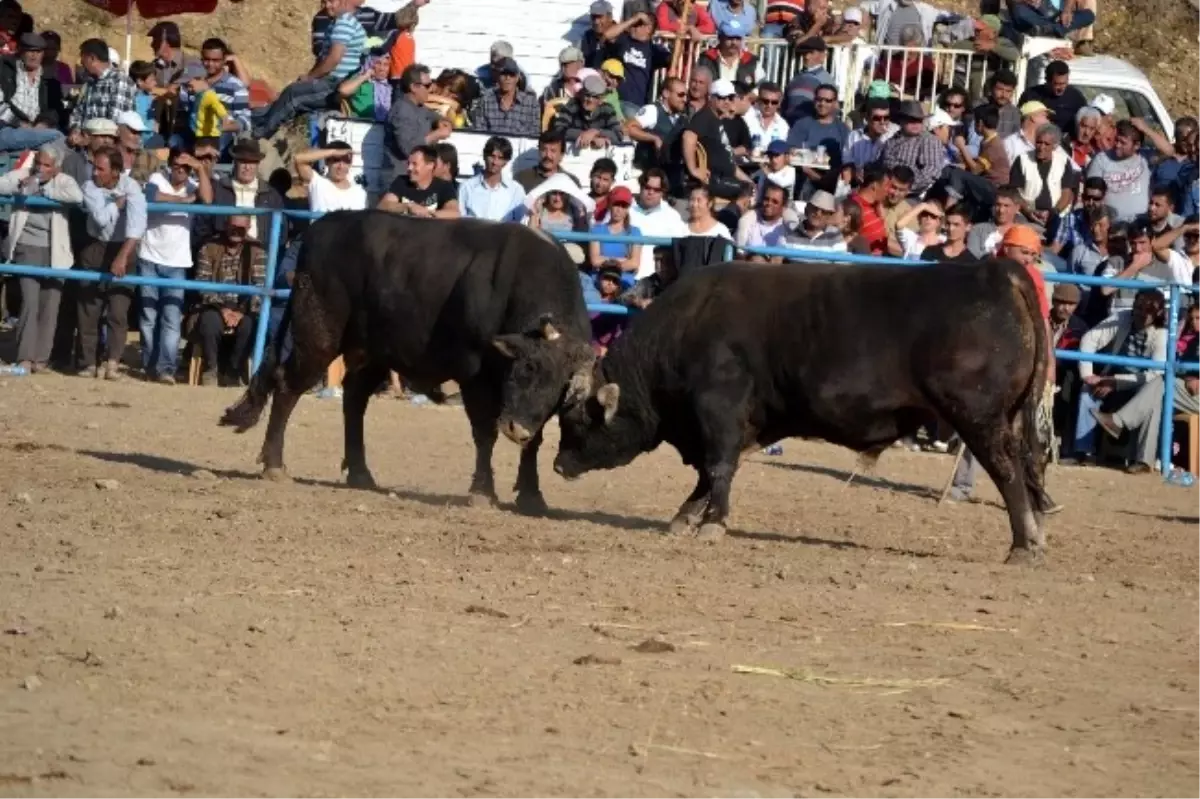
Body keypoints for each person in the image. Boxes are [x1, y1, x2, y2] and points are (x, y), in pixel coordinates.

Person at [0, 142, 80, 373]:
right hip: (27, 247)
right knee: (30, 303)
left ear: (56, 167)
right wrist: (21, 185)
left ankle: (41, 359)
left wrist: (44, 191)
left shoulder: (64, 180)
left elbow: (76, 196)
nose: (41, 168)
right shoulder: (24, 174)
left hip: (56, 251)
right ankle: (25, 356)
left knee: (50, 306)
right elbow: (3, 183)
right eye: (39, 163)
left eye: (47, 165)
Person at [138, 147, 211, 383]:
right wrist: (183, 201)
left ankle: (166, 368)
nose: (180, 170)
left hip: (177, 261)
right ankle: (150, 365)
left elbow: (208, 199)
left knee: (170, 318)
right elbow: (150, 196)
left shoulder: (194, 184)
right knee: (148, 317)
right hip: (149, 256)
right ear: (169, 165)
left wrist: (200, 168)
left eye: (185, 167)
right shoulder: (157, 178)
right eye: (177, 165)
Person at [77, 146, 146, 380]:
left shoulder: (131, 186)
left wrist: (123, 256)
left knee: (118, 309)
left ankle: (112, 362)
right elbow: (100, 218)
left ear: (115, 171)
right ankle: (88, 362)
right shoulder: (89, 186)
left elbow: (137, 225)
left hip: (123, 246)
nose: (95, 173)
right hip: (95, 245)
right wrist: (116, 205)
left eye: (101, 169)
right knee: (89, 309)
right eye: (94, 167)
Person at [190, 215, 267, 386]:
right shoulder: (209, 247)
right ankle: (211, 369)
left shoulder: (258, 250)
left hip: (244, 304)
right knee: (209, 322)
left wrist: (240, 312)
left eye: (241, 228)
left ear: (248, 229)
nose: (236, 231)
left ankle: (234, 371)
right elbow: (202, 283)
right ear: (226, 225)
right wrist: (222, 309)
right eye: (233, 226)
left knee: (249, 324)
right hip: (214, 303)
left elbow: (259, 285)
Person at [379, 143, 460, 218]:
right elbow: (383, 205)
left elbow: (454, 212)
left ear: (430, 165)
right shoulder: (401, 181)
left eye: (415, 164)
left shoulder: (444, 187)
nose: (409, 168)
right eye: (408, 164)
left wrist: (426, 214)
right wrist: (407, 207)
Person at [457, 135, 526, 222]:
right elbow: (459, 220)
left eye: (500, 158)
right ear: (484, 156)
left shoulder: (516, 190)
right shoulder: (467, 187)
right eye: (492, 156)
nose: (495, 162)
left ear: (506, 162)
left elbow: (521, 223)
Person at [587, 185, 642, 282]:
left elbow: (634, 263)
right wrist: (622, 260)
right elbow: (595, 261)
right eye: (616, 204)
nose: (619, 210)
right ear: (609, 205)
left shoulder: (635, 232)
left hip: (624, 281)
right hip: (599, 279)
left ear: (628, 208)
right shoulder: (596, 230)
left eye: (623, 206)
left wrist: (606, 261)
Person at [295, 140, 368, 212]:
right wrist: (333, 152)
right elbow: (298, 159)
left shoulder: (359, 192)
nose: (341, 166)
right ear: (327, 161)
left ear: (350, 163)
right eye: (336, 160)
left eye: (346, 161)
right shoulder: (317, 183)